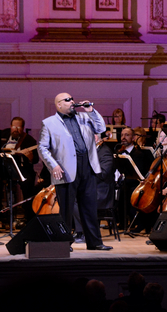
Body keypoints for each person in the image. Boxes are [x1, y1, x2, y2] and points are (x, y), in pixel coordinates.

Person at [38, 93, 112, 250]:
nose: (72, 101)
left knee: (89, 207)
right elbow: (42, 147)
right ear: (58, 104)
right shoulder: (49, 123)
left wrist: (91, 111)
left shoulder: (84, 117)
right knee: (65, 208)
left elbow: (101, 128)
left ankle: (95, 243)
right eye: (67, 100)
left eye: (72, 99)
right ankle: (64, 243)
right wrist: (53, 166)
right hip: (64, 169)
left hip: (87, 166)